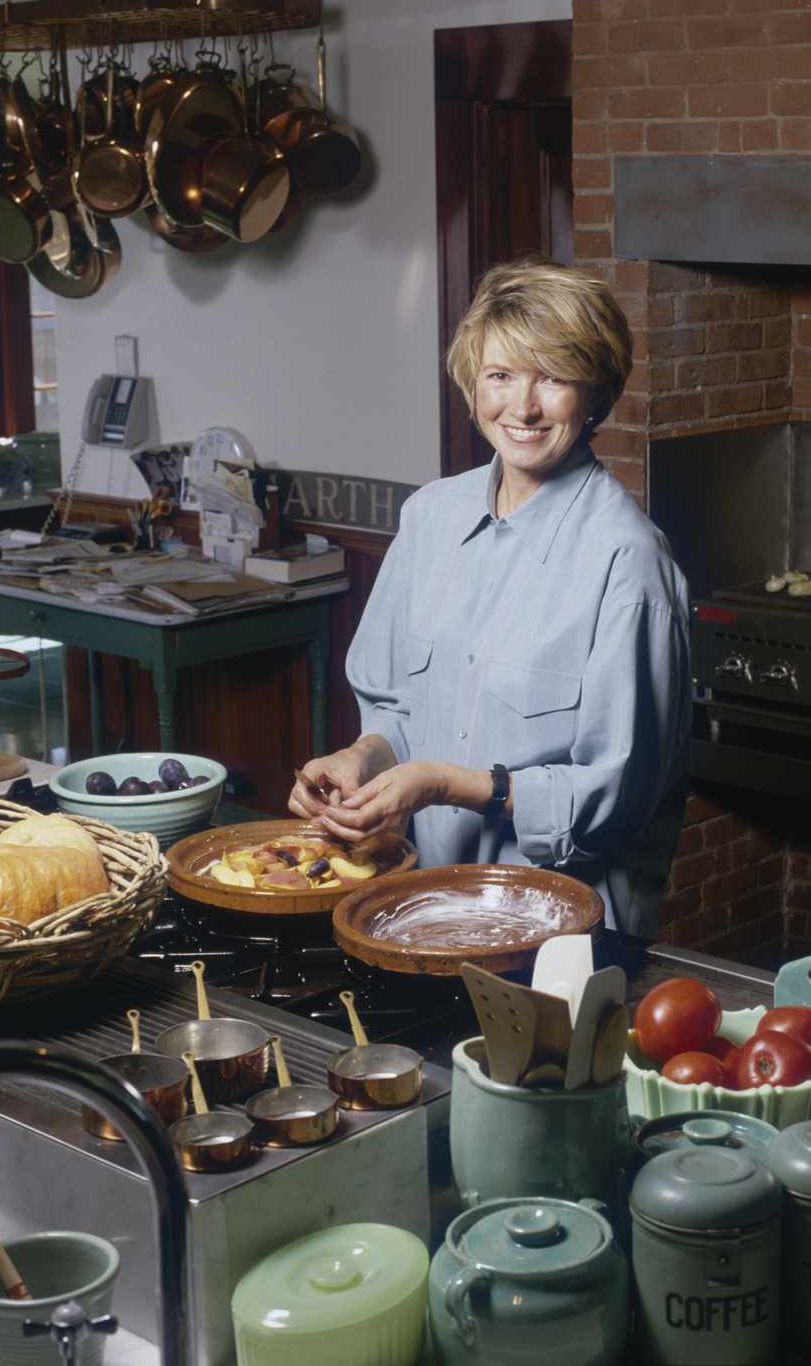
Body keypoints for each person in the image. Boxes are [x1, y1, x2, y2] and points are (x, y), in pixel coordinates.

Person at [289, 257, 690, 937]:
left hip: (560, 933)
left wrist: (447, 784)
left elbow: (618, 800)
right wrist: (362, 759)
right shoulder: (429, 518)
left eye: (553, 378)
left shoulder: (630, 563)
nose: (522, 407)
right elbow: (400, 712)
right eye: (501, 375)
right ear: (472, 385)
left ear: (595, 395)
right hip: (419, 905)